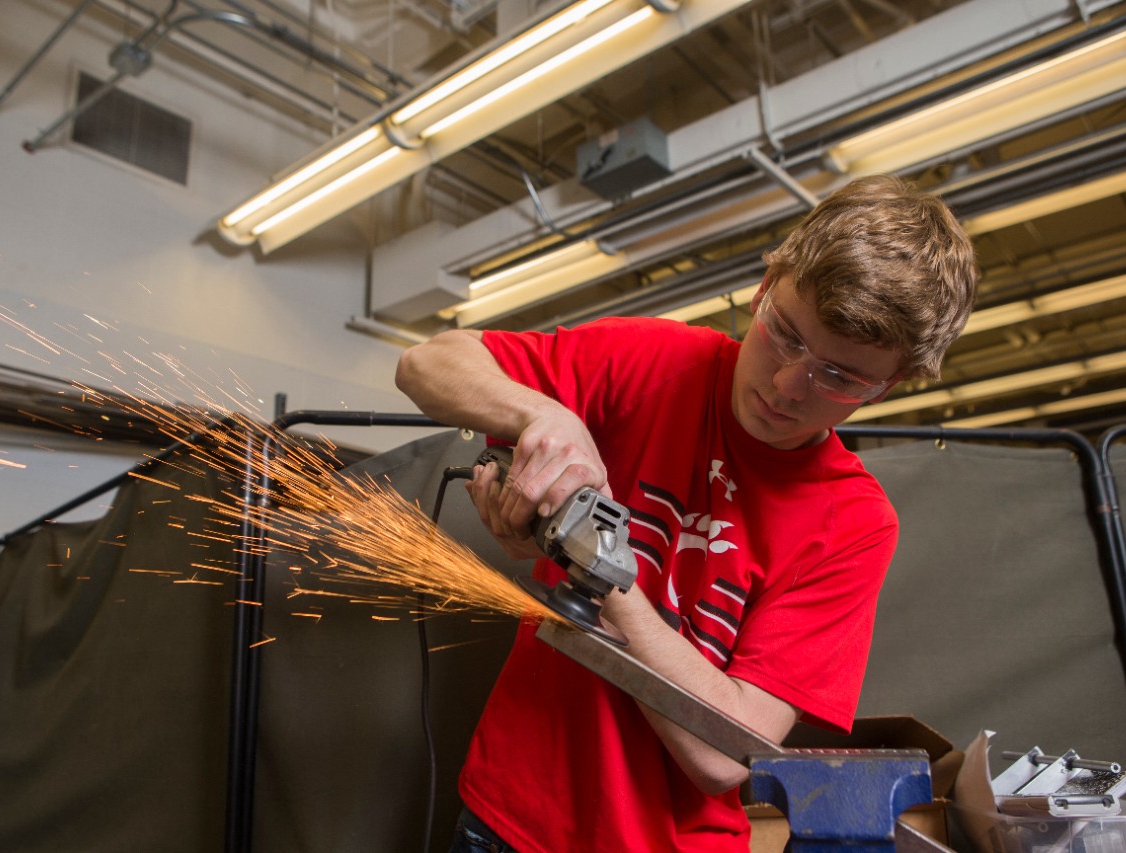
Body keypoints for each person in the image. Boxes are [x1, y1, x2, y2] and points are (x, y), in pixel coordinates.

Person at [395, 174, 978, 852]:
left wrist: (601, 574)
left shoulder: (852, 522)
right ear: (766, 286)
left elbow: (724, 753)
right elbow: (426, 362)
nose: (788, 386)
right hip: (510, 817)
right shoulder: (654, 361)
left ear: (889, 385)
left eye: (839, 377)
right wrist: (544, 417)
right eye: (784, 333)